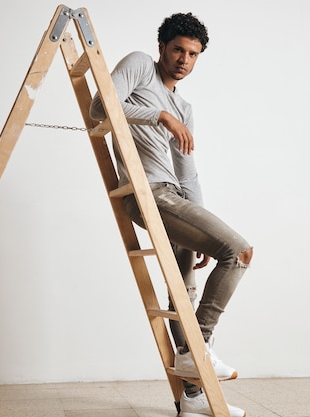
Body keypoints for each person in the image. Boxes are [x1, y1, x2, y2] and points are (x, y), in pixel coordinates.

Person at [90, 12, 253, 417]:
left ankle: (194, 399)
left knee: (185, 294)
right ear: (162, 46)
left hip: (177, 199)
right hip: (151, 195)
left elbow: (188, 172)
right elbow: (99, 107)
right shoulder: (140, 65)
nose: (184, 59)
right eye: (178, 49)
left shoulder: (185, 106)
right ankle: (199, 349)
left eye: (193, 54)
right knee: (240, 251)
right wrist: (158, 115)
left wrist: (199, 224)